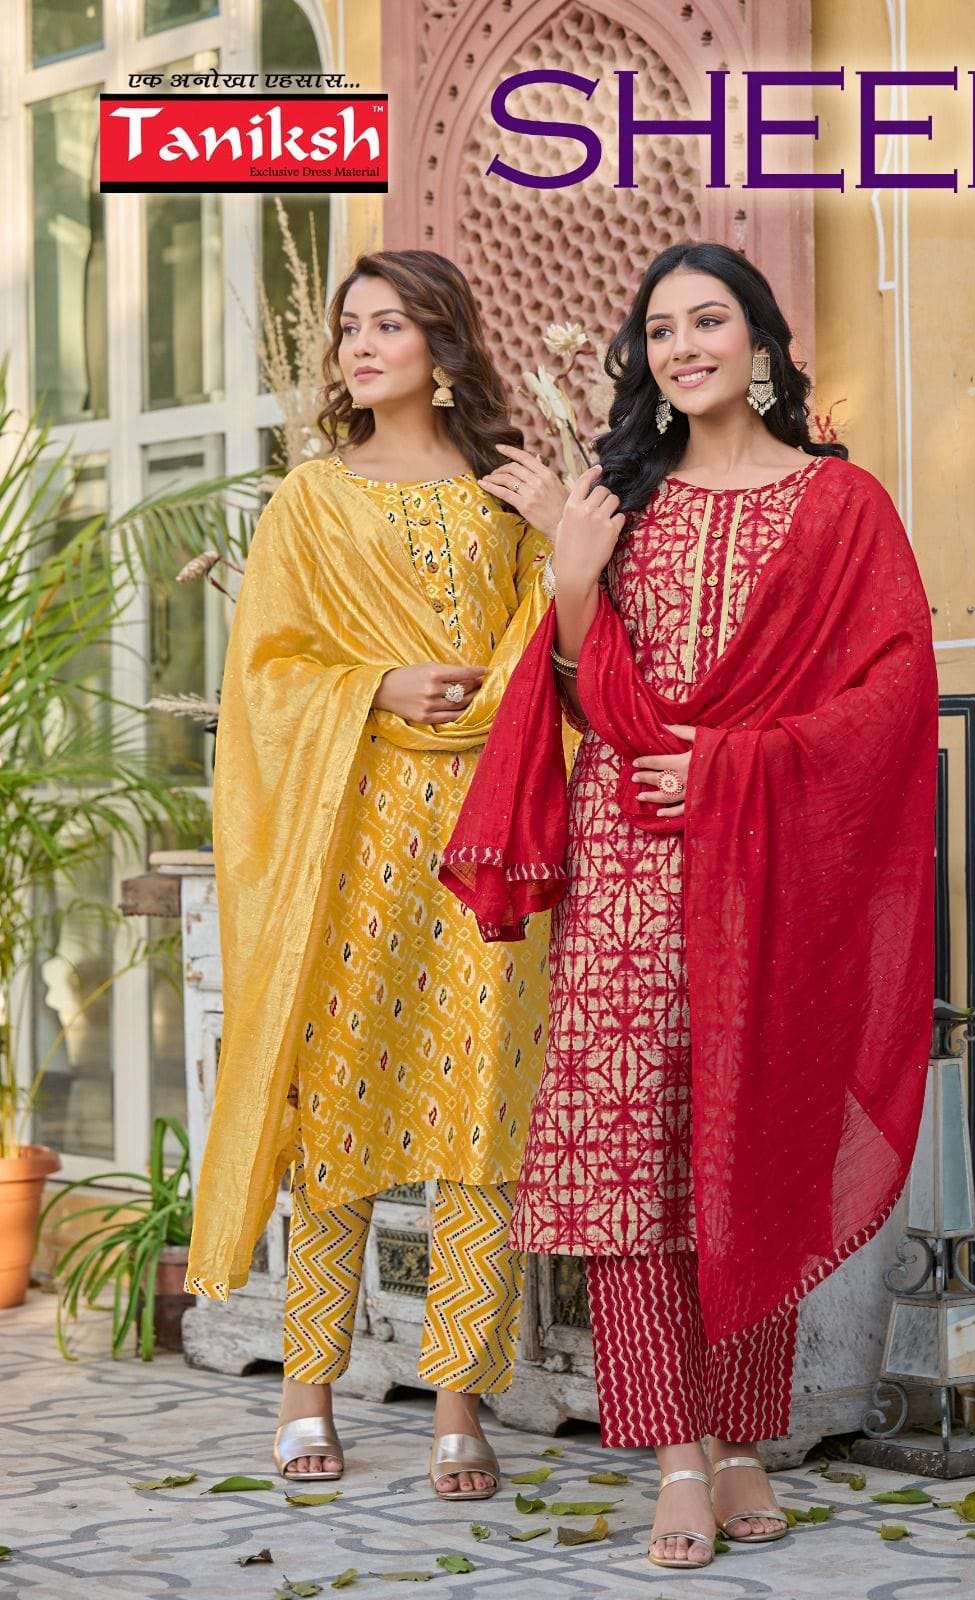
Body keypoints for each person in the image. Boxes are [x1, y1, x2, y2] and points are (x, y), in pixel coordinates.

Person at [442, 241, 939, 1569]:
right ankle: (672, 1454)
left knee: (742, 1141)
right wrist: (568, 574)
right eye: (659, 330)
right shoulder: (619, 502)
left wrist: (731, 763)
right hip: (624, 861)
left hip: (761, 861)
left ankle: (736, 1441)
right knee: (627, 1160)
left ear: (760, 341)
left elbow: (889, 695)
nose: (682, 347)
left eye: (707, 320)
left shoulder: (841, 505)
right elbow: (577, 692)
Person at [185, 249, 567, 1499]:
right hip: (348, 839)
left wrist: (560, 533)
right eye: (349, 325)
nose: (358, 344)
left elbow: (553, 645)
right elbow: (265, 675)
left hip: (486, 838)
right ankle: (307, 1390)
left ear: (441, 344)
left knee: (479, 1114)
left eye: (388, 324)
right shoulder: (310, 500)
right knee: (337, 1108)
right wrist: (377, 687)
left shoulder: (506, 492)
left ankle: (459, 1404)